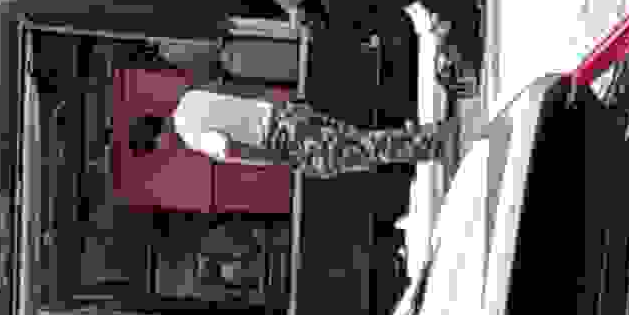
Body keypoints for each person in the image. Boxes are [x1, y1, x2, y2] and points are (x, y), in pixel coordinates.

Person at [132, 77, 458, 184]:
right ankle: (425, 136)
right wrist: (280, 99)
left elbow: (231, 148)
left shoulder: (190, 135)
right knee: (354, 136)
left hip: (280, 141)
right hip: (282, 112)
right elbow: (236, 88)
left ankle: (431, 144)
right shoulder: (191, 95)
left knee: (355, 151)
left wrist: (279, 159)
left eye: (156, 147)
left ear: (157, 139)